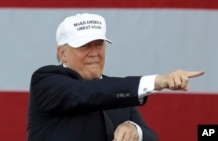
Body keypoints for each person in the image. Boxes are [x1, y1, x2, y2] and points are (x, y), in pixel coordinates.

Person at [27, 13, 204, 141]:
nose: (94, 53)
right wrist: (158, 81)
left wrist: (135, 130)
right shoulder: (45, 81)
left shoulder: (114, 91)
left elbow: (151, 136)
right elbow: (87, 93)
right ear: (62, 53)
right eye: (84, 46)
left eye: (99, 45)